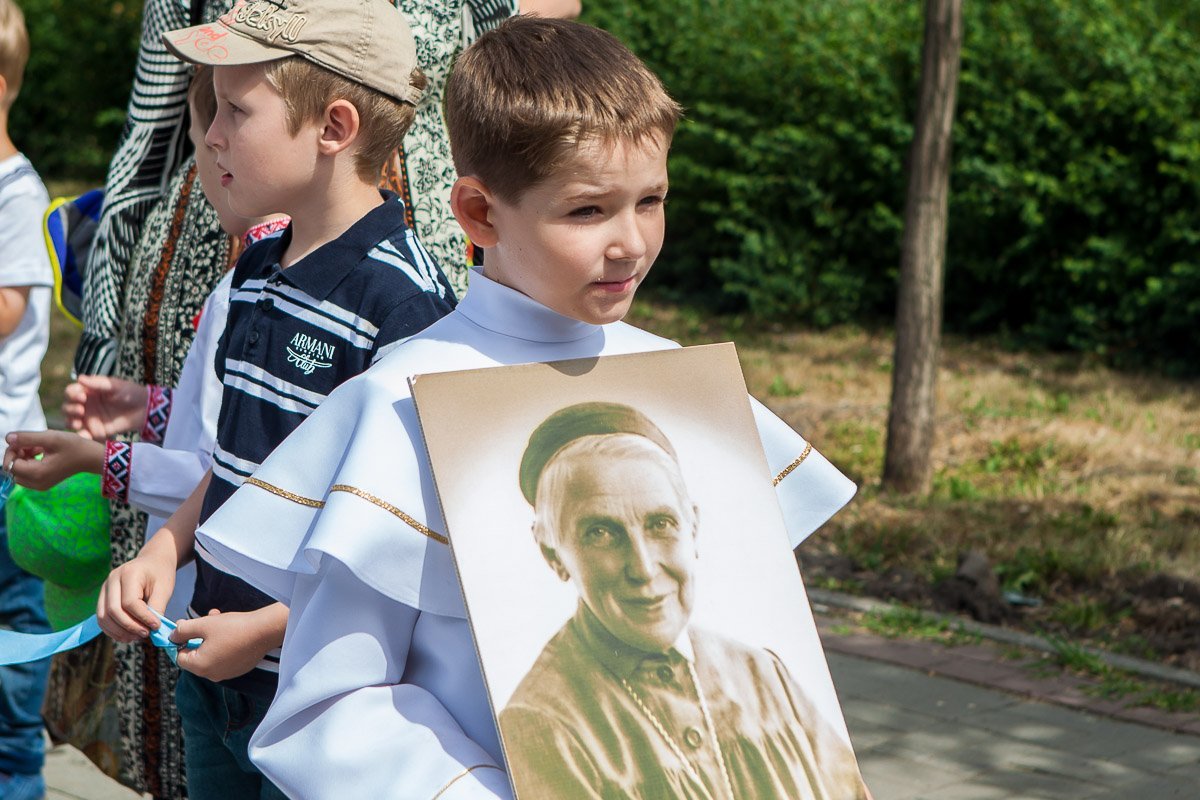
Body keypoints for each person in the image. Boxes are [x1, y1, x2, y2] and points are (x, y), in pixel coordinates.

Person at [187, 16, 860, 799]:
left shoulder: (674, 382)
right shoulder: (399, 399)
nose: (632, 243)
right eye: (588, 211)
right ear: (478, 214)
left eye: (651, 201)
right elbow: (333, 700)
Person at [95, 3, 457, 797]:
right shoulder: (257, 273)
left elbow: (408, 541)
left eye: (234, 111)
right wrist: (166, 549)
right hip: (215, 680)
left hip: (320, 699)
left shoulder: (404, 311)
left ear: (333, 127)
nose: (210, 134)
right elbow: (238, 466)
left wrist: (268, 630)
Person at [4, 65, 289, 622]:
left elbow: (221, 473)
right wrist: (151, 407)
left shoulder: (247, 296)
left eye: (197, 143)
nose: (204, 150)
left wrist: (92, 459)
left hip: (220, 615)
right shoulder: (267, 283)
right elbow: (232, 427)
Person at [499, 402, 869, 799]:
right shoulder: (542, 726)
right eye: (601, 533)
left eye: (661, 524)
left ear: (693, 527)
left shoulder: (762, 674)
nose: (642, 568)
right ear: (553, 555)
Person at [0, 0, 53, 794]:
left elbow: (7, 305)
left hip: (8, 468)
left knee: (15, 642)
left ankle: (17, 778)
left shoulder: (16, 192)